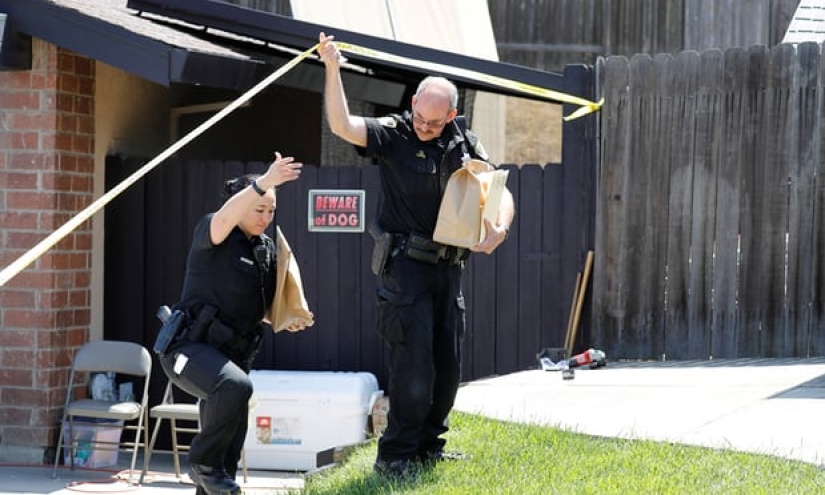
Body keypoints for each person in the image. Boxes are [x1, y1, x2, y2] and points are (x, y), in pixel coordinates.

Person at [317, 33, 515, 478]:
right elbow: (342, 126)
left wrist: (500, 227)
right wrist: (333, 71)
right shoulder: (393, 134)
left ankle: (429, 448)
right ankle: (395, 457)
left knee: (446, 369)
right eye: (419, 118)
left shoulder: (465, 141)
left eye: (433, 122)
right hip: (405, 269)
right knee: (413, 367)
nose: (424, 127)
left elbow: (499, 190)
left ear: (452, 114)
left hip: (449, 269)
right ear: (413, 108)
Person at [157, 153, 306, 495]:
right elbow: (227, 216)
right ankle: (200, 462)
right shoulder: (213, 231)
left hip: (230, 358)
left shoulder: (265, 249)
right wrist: (266, 181)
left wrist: (288, 318)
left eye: (272, 211)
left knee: (225, 467)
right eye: (259, 209)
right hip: (188, 351)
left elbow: (264, 308)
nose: (266, 218)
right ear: (242, 204)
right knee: (237, 389)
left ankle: (211, 473)